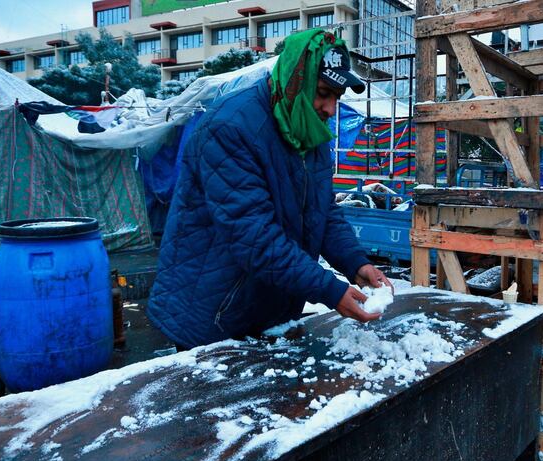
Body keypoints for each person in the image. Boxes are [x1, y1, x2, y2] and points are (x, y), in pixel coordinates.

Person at [147, 29, 392, 350]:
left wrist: (355, 262)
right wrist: (328, 290)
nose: (331, 108)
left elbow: (323, 211)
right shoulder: (230, 127)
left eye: (337, 97)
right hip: (212, 311)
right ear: (293, 82)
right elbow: (251, 233)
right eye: (322, 92)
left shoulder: (308, 129)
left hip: (267, 306)